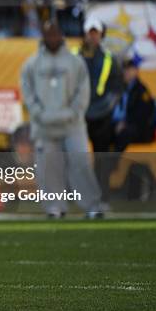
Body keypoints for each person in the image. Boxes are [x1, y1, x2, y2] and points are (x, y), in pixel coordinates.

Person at [20, 21, 103, 219]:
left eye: (56, 34)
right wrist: (38, 113)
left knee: (80, 162)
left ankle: (92, 206)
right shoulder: (31, 64)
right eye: (49, 34)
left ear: (62, 36)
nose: (53, 38)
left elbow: (83, 91)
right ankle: (54, 208)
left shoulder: (75, 62)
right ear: (43, 36)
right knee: (48, 167)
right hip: (44, 125)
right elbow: (27, 91)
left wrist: (74, 112)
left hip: (72, 124)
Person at [74, 18, 122, 204]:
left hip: (102, 115)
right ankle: (76, 194)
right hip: (79, 114)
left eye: (96, 33)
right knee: (76, 156)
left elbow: (116, 87)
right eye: (90, 33)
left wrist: (107, 107)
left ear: (102, 35)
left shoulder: (110, 58)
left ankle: (102, 194)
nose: (93, 37)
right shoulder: (74, 56)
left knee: (102, 156)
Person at [112, 57, 156, 152]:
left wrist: (125, 123)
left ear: (136, 71)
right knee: (101, 132)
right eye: (124, 69)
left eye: (129, 69)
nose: (126, 72)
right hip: (118, 123)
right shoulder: (118, 87)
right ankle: (98, 162)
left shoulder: (142, 91)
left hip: (138, 128)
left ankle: (111, 163)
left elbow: (143, 115)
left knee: (124, 134)